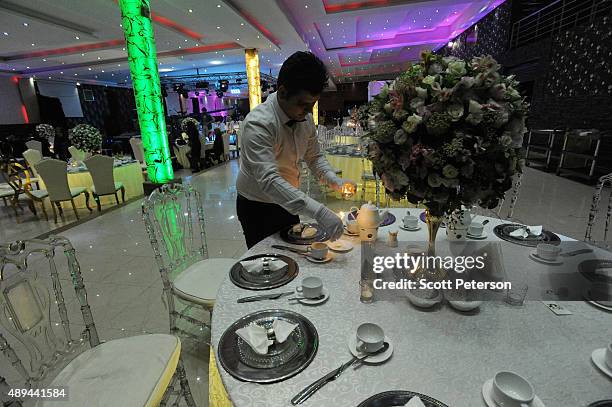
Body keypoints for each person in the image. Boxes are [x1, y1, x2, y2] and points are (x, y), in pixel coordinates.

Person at [236, 51, 356, 249]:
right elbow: (269, 181)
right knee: (266, 263)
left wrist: (335, 181)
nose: (309, 111)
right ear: (282, 92)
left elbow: (315, 157)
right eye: (303, 104)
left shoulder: (305, 117)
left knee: (293, 253)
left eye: (313, 104)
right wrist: (319, 212)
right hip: (256, 206)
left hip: (289, 200)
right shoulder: (258, 124)